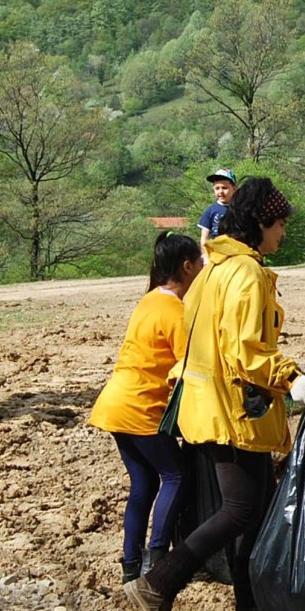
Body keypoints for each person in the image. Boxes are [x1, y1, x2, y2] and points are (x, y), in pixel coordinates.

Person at [123, 176, 305, 611]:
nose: (283, 233)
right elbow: (245, 350)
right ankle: (157, 585)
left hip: (207, 405)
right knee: (239, 509)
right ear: (261, 224)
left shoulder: (213, 269)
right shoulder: (245, 274)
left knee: (254, 509)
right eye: (279, 224)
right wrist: (291, 377)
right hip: (233, 411)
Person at [88, 232, 203, 584]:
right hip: (141, 407)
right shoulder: (176, 311)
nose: (204, 267)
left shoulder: (150, 299)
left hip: (115, 403)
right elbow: (187, 367)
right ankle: (157, 560)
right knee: (176, 476)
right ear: (187, 266)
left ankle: (131, 564)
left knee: (144, 482)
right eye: (200, 262)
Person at [197, 168, 237, 255]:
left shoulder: (240, 209)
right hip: (216, 254)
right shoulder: (210, 210)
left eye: (224, 188)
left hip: (237, 252)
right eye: (217, 188)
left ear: (234, 188)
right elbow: (204, 238)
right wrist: (207, 256)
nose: (220, 191)